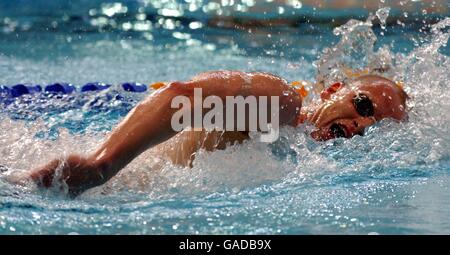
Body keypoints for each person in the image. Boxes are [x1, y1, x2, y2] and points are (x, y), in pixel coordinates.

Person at [24, 71, 408, 196]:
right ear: (330, 92)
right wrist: (101, 164)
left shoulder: (315, 167)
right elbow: (180, 98)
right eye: (363, 106)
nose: (363, 126)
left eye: (377, 126)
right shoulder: (282, 107)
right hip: (109, 182)